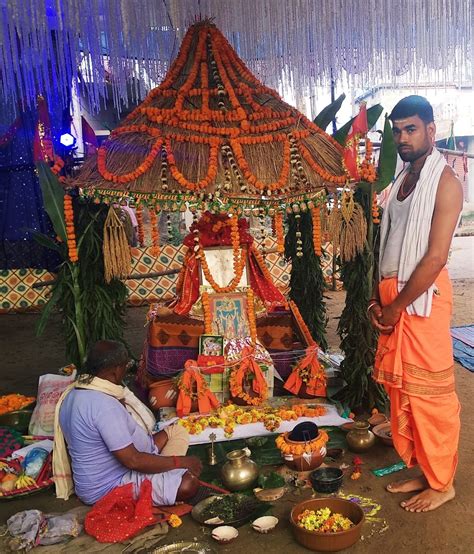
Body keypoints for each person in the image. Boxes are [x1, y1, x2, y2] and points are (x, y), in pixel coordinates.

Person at [368, 96, 463, 513]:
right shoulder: (403, 180)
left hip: (422, 300)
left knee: (432, 395)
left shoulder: (446, 183)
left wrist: (396, 307)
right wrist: (377, 295)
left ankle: (443, 483)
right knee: (403, 390)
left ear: (430, 130)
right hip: (393, 295)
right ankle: (425, 469)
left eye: (411, 129)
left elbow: (436, 257)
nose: (402, 138)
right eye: (397, 130)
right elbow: (388, 242)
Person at [53, 340, 202, 505]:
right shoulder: (102, 404)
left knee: (177, 431)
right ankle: (168, 475)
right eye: (126, 366)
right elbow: (133, 461)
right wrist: (180, 462)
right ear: (116, 370)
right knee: (188, 484)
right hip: (109, 486)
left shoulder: (73, 394)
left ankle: (163, 471)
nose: (125, 371)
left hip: (133, 458)